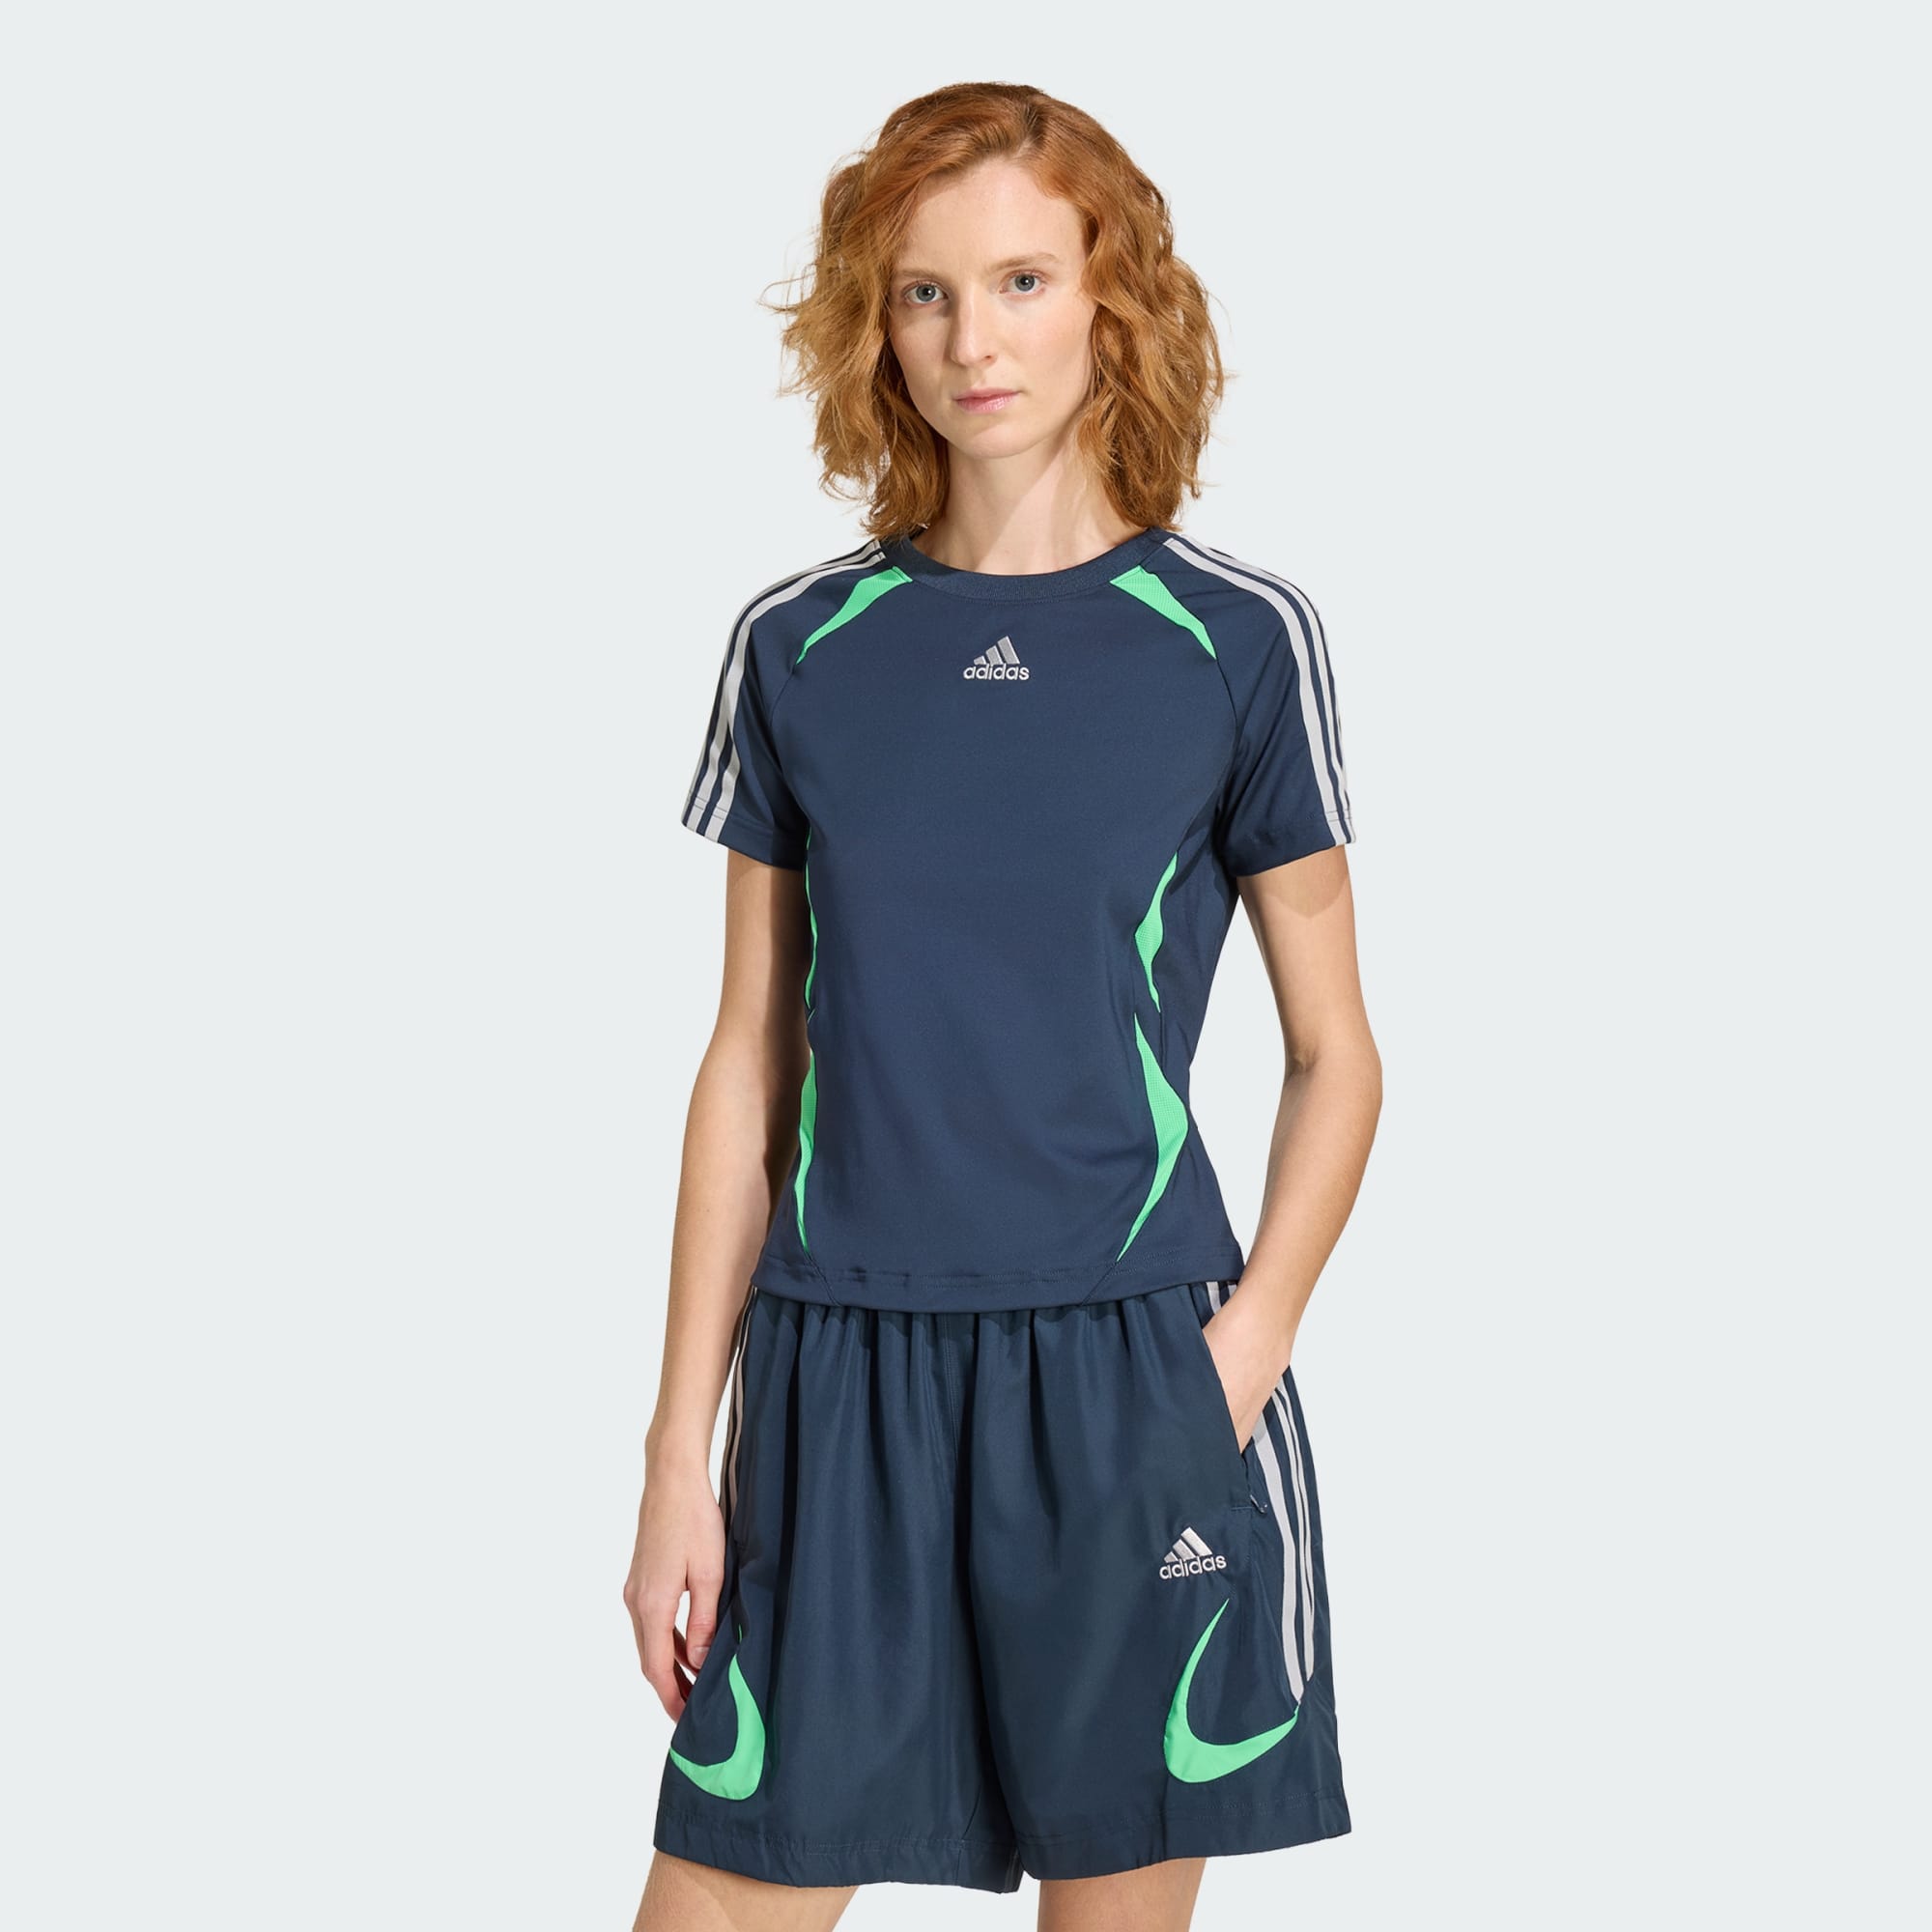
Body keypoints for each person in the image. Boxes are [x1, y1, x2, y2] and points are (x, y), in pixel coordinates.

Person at [625, 80, 1382, 1930]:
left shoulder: (1237, 642)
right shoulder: (801, 648)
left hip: (1129, 1375)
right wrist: (675, 1456)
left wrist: (1241, 1353)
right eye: (926, 294)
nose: (976, 339)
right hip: (837, 1378)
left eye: (1024, 281)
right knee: (715, 1895)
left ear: (1113, 300)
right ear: (875, 328)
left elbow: (1336, 1054)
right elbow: (749, 1063)